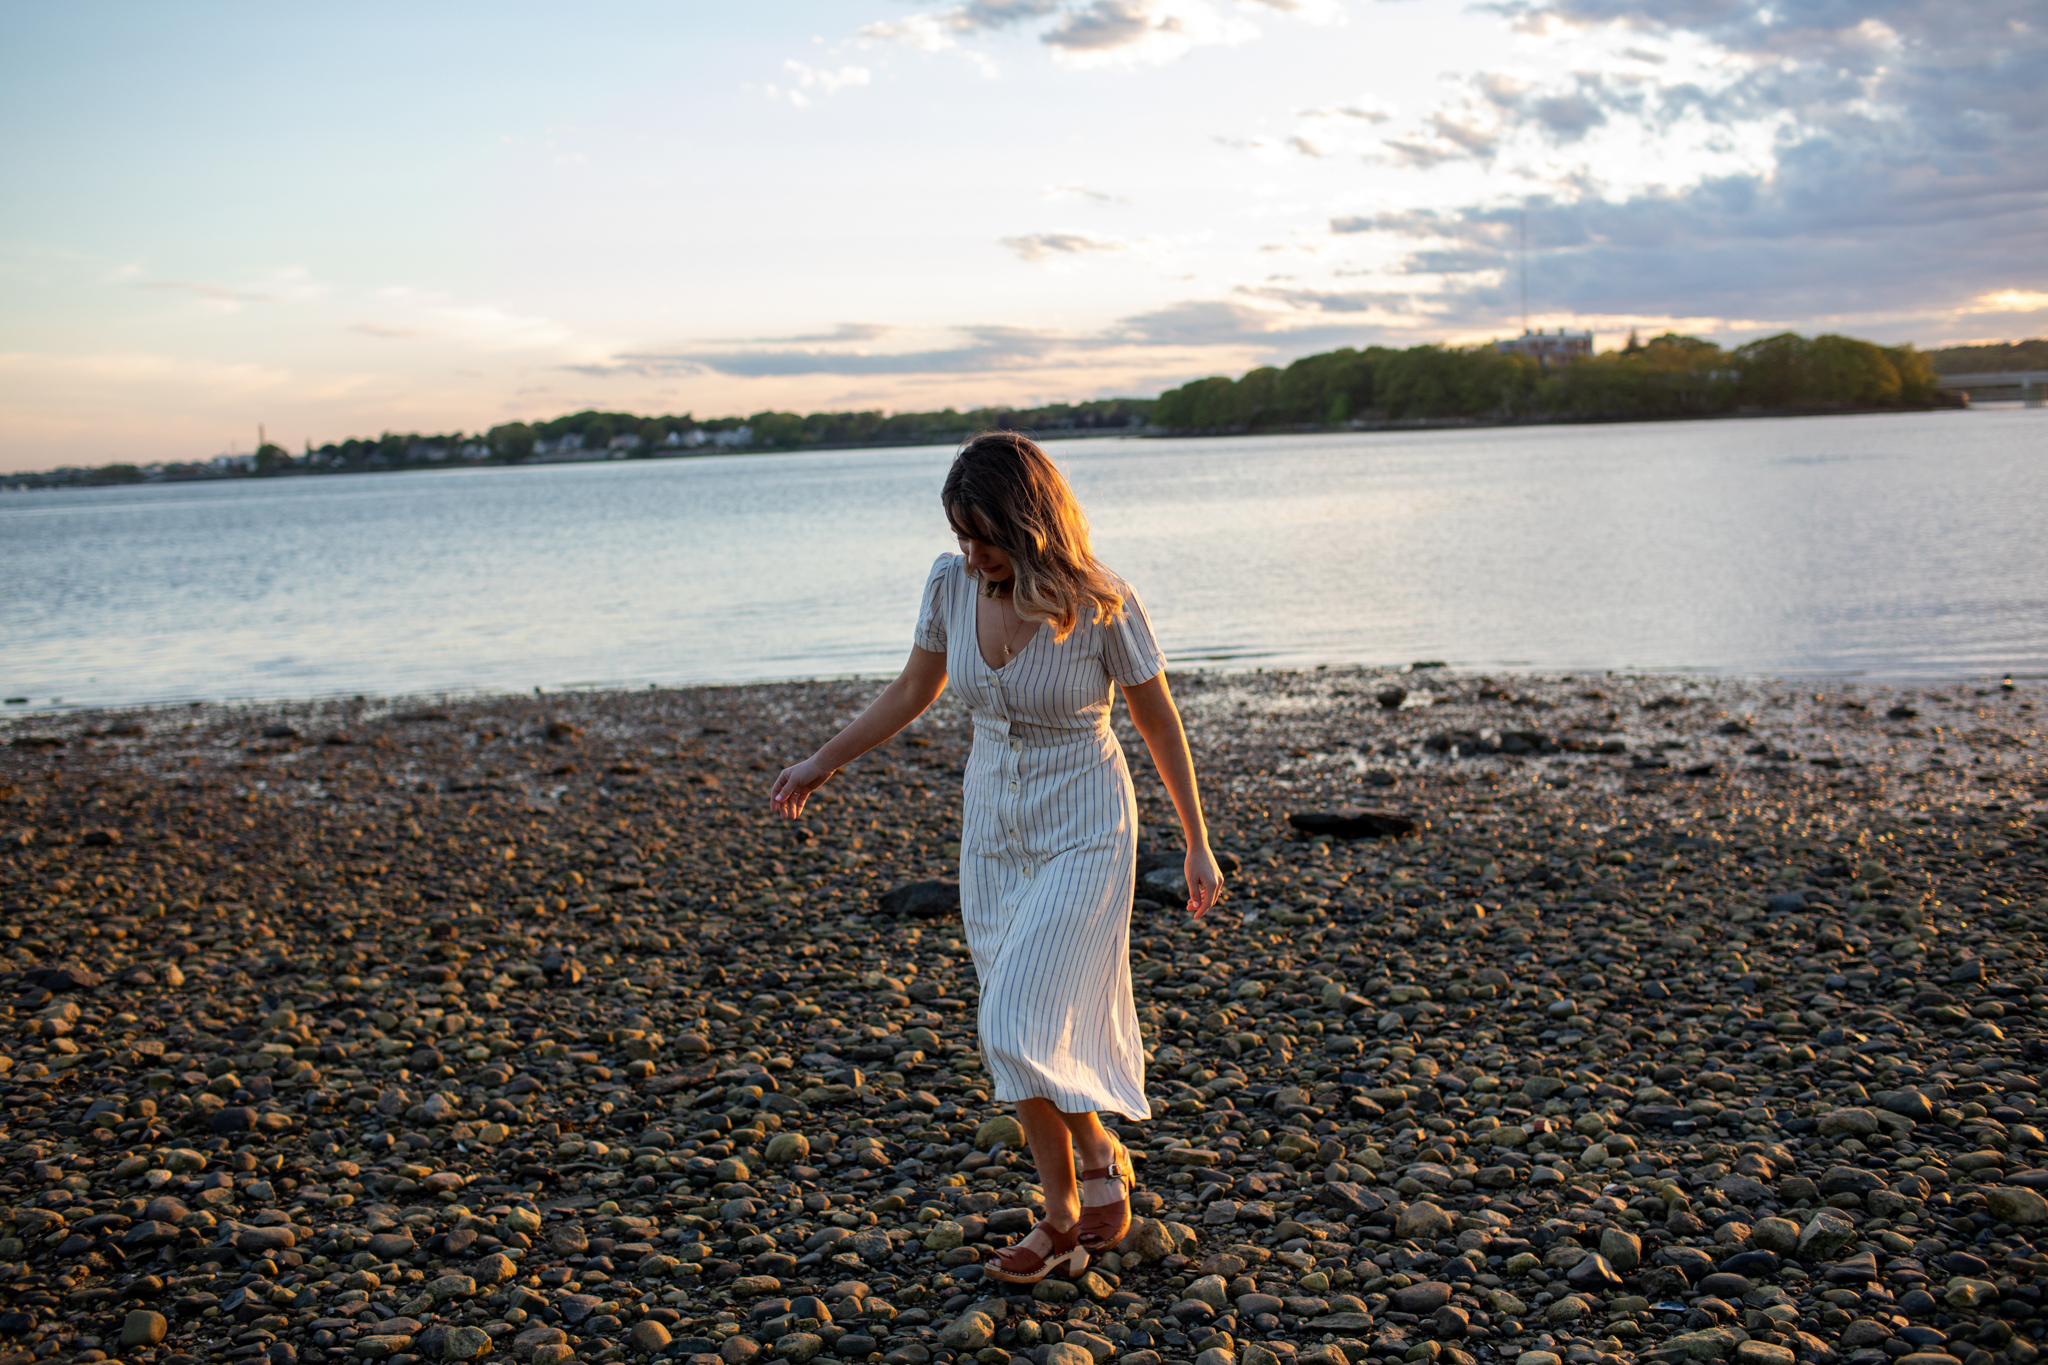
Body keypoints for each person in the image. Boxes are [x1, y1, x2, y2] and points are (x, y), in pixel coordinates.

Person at [769, 431, 1224, 1285]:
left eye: (985, 536)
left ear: (1031, 524)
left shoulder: (1104, 601)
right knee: (1019, 1027)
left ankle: (1056, 1219)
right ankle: (1094, 1148)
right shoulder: (950, 584)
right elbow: (914, 688)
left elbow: (1158, 719)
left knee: (1009, 1018)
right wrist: (823, 761)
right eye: (960, 535)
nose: (972, 554)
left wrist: (1196, 840)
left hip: (1087, 825)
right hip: (993, 832)